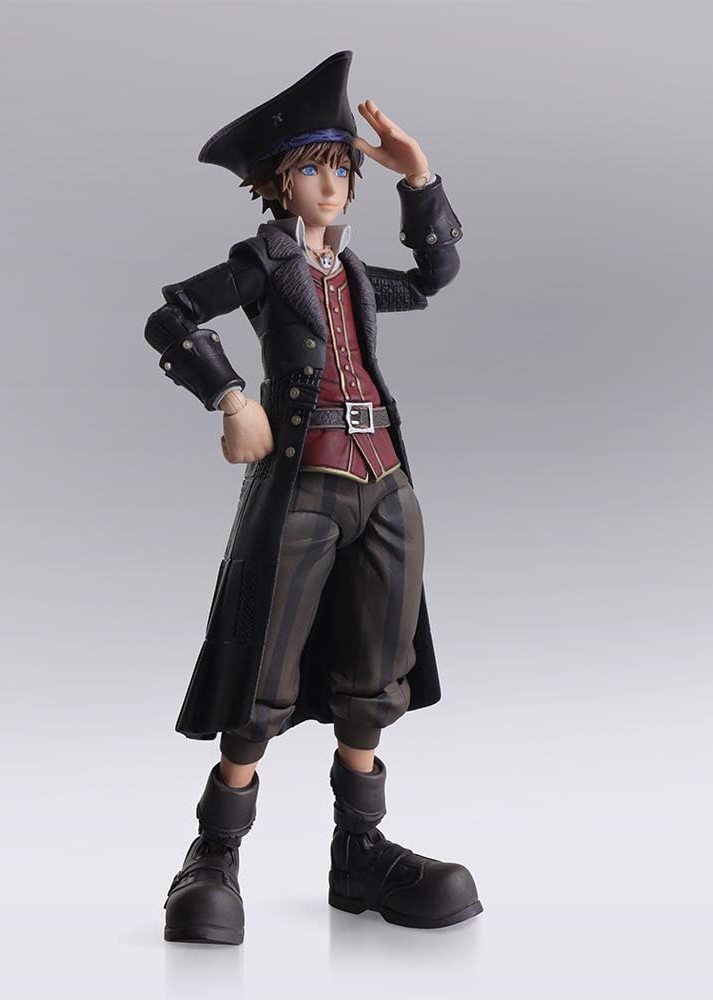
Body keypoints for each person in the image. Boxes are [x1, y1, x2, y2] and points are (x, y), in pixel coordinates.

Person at [145, 51, 482, 944]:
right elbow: (171, 315)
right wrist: (231, 398)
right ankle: (214, 853)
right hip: (305, 481)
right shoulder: (262, 263)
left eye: (342, 168)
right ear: (276, 183)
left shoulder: (355, 272)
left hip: (385, 481)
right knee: (264, 666)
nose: (333, 185)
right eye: (312, 169)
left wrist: (420, 179)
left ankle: (358, 852)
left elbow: (434, 278)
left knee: (376, 667)